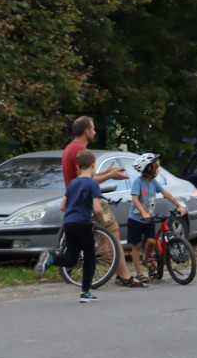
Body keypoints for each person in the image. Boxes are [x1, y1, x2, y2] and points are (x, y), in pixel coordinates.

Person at [55, 116, 138, 286]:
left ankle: (119, 274)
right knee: (111, 236)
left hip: (74, 201)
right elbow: (88, 182)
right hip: (87, 200)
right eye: (92, 129)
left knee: (98, 240)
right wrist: (110, 175)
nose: (94, 132)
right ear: (86, 131)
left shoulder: (69, 149)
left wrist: (105, 173)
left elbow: (84, 176)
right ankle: (125, 276)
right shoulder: (82, 151)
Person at [35, 149, 107, 302]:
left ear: (77, 168)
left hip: (69, 223)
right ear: (94, 165)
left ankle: (51, 259)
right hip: (84, 224)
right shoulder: (93, 183)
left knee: (71, 258)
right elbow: (98, 208)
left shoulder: (73, 183)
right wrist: (103, 219)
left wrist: (74, 211)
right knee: (89, 258)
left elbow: (62, 206)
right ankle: (85, 293)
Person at [127, 153, 187, 283]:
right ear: (150, 170)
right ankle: (139, 273)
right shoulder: (138, 182)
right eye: (157, 168)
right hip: (136, 219)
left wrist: (178, 205)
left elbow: (166, 194)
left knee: (152, 242)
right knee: (136, 246)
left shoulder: (154, 182)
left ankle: (146, 259)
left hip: (149, 219)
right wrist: (143, 212)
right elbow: (135, 199)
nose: (158, 170)